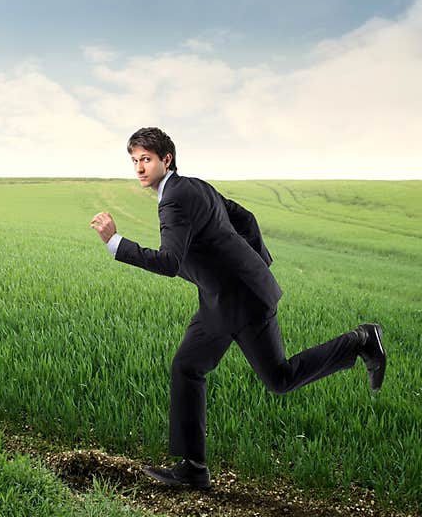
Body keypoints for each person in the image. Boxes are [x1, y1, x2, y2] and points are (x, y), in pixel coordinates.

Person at [90, 127, 387, 490]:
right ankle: (193, 469)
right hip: (225, 299)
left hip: (241, 301)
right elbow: (244, 217)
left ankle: (361, 341)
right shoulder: (195, 186)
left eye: (146, 159)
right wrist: (252, 266)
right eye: (134, 160)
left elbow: (169, 262)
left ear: (166, 160)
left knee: (279, 379)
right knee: (187, 367)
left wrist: (114, 242)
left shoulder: (174, 199)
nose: (139, 167)